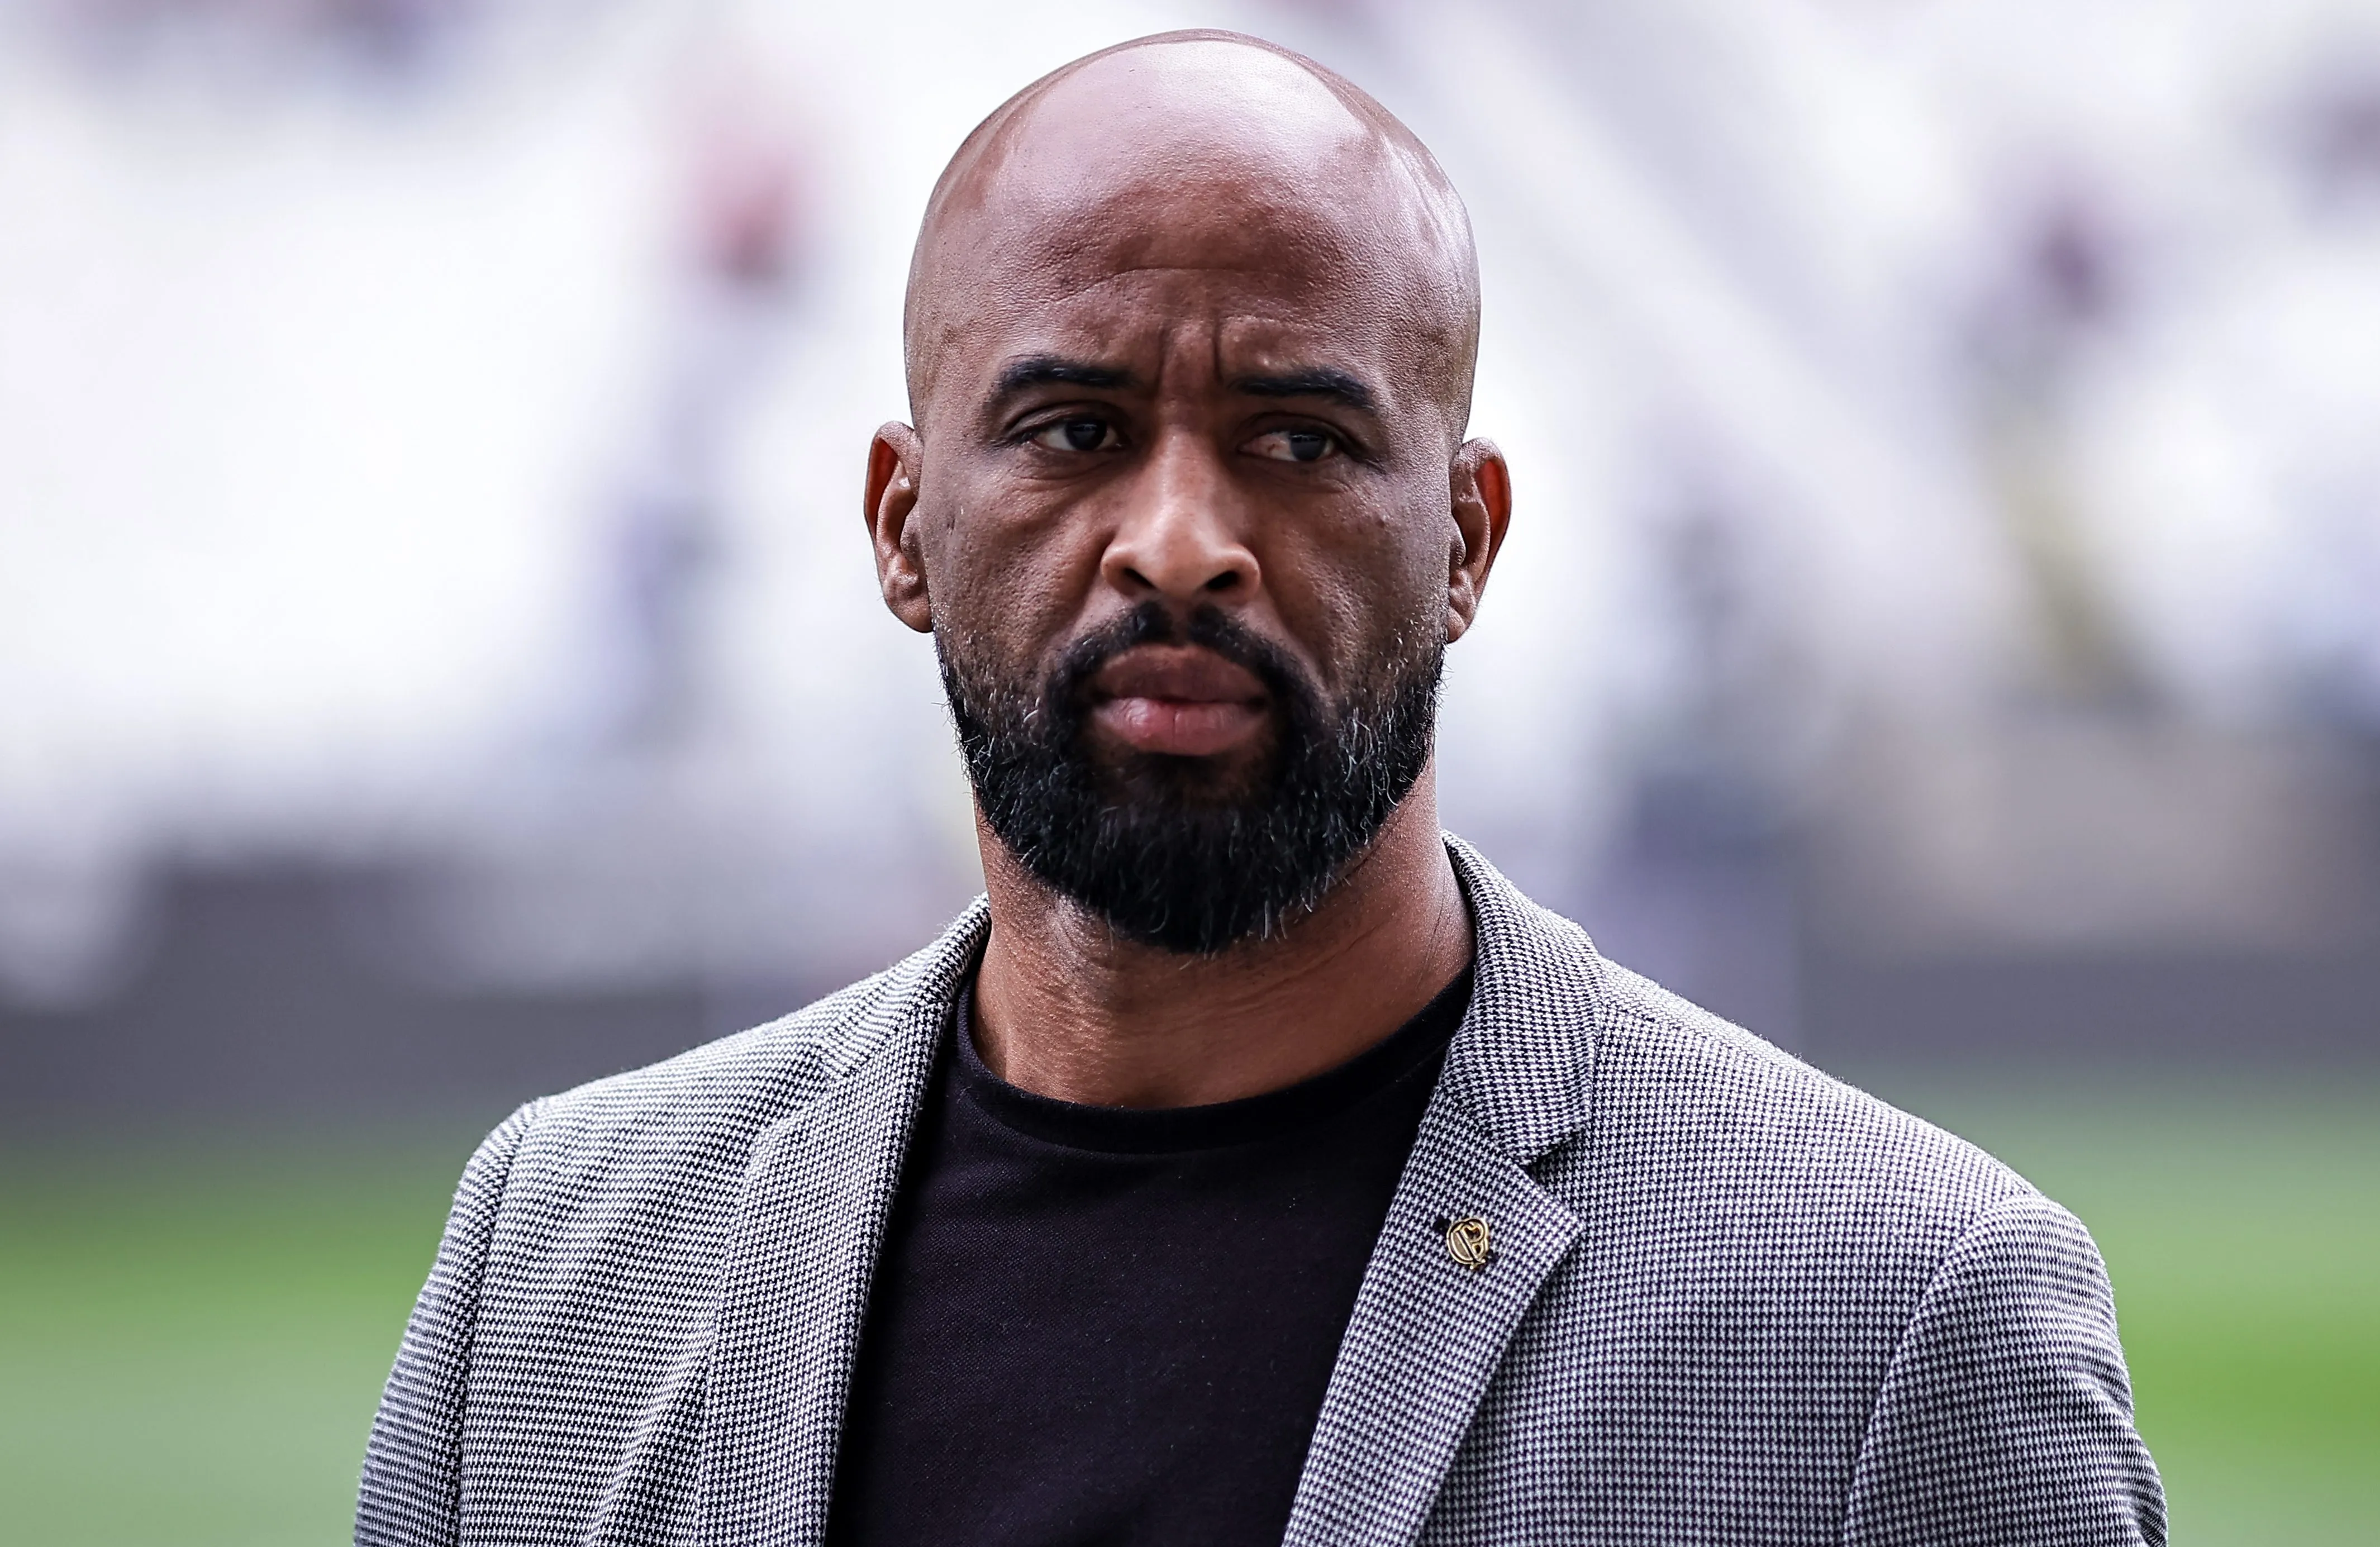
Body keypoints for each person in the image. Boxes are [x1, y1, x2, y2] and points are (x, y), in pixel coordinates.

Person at [356, 30, 2164, 1547]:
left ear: (1466, 540)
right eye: (1076, 430)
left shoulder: (1902, 1320)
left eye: (1300, 442)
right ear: (905, 529)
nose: (1181, 544)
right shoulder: (554, 1267)